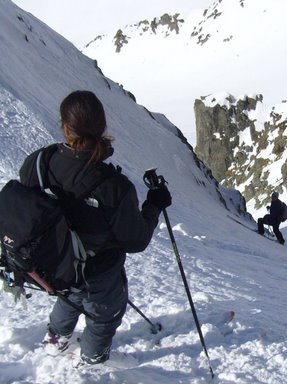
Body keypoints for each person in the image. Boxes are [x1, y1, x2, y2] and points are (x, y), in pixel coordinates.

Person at [18, 90, 172, 365]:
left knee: (67, 297)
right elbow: (135, 240)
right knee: (104, 316)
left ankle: (55, 341)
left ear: (66, 127)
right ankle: (92, 360)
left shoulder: (38, 163)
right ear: (102, 128)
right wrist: (154, 205)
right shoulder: (114, 187)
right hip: (98, 274)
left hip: (54, 265)